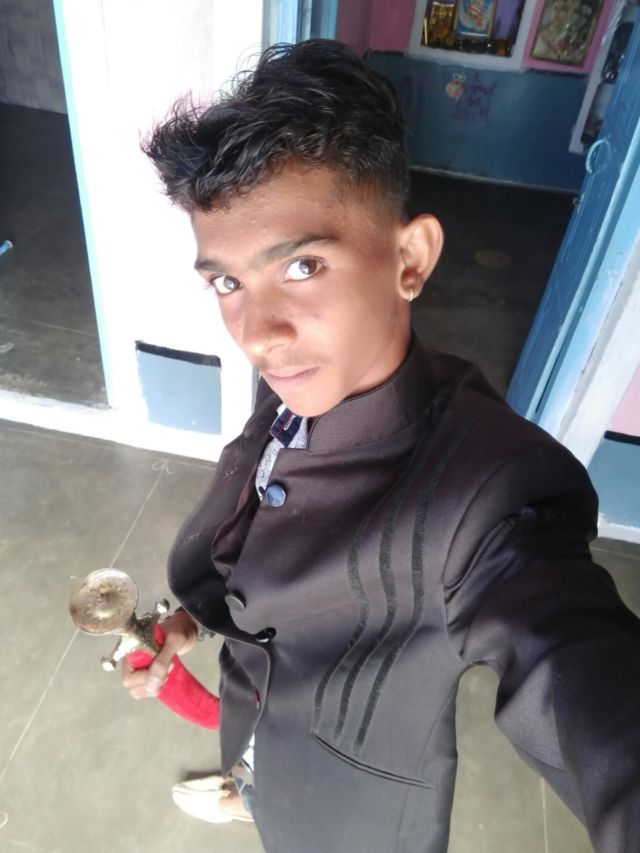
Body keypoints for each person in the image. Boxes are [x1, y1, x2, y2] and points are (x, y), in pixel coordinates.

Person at [121, 39, 640, 853]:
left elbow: (585, 676)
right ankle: (246, 783)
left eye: (302, 265)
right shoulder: (297, 378)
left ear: (409, 258)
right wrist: (192, 621)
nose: (257, 333)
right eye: (227, 282)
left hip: (343, 826)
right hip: (258, 734)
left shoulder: (484, 499)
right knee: (254, 779)